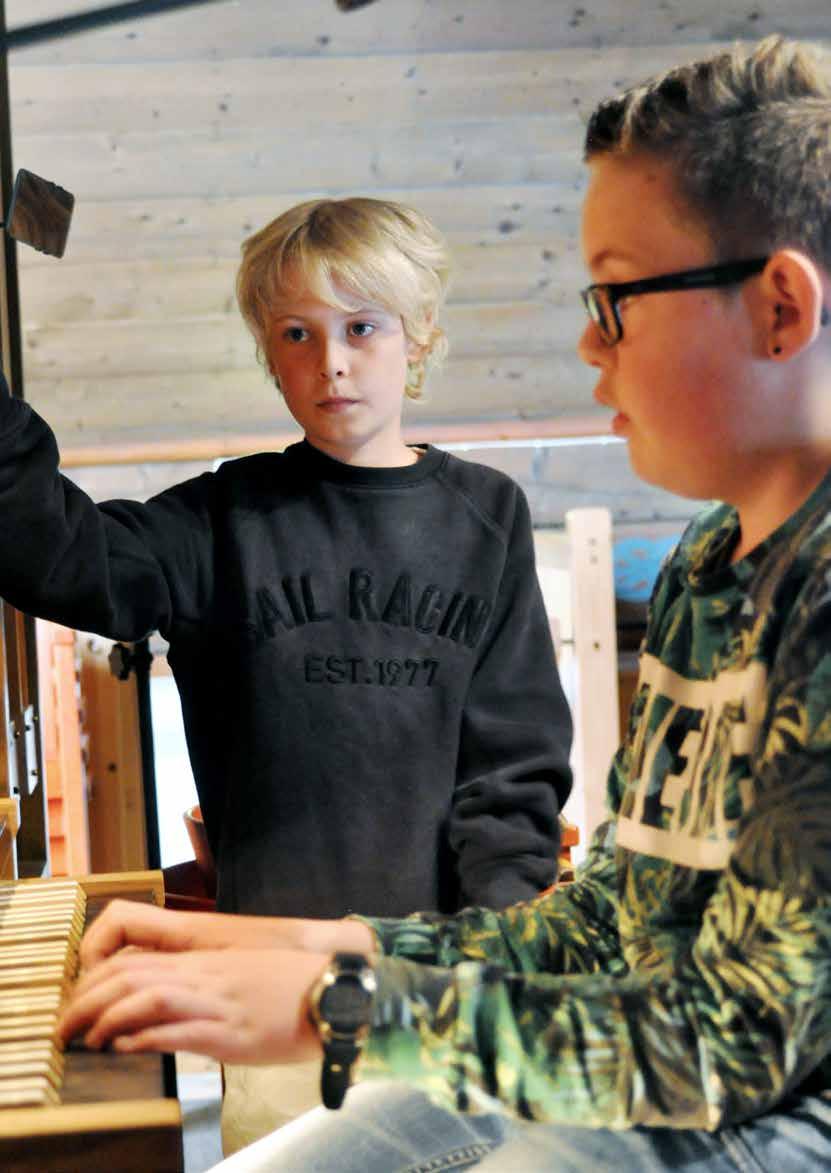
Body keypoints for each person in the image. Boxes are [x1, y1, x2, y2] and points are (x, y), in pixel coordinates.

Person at [60, 33, 831, 1170]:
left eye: (616, 299)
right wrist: (301, 946)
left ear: (779, 310)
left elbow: (726, 1051)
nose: (584, 342)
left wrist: (337, 1003)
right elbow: (607, 926)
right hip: (615, 1060)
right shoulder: (714, 562)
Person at [0, 195, 572, 1148]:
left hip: (438, 999)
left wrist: (501, 976)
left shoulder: (487, 518)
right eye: (297, 334)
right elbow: (62, 557)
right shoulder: (225, 520)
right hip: (267, 1005)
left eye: (362, 328)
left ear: (417, 335)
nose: (331, 362)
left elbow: (509, 775)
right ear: (269, 352)